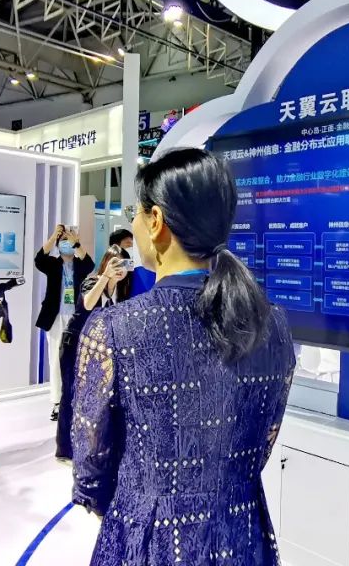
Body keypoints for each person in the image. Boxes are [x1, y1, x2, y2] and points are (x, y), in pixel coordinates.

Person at [71, 148, 297, 565]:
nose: (134, 224)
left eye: (135, 213)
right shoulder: (274, 324)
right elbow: (265, 436)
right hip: (241, 533)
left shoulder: (113, 329)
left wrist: (125, 500)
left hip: (146, 535)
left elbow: (90, 459)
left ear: (156, 221)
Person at [54, 245, 131, 460]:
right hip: (74, 344)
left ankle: (90, 445)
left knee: (94, 396)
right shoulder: (92, 282)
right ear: (106, 263)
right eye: (115, 263)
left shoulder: (122, 290)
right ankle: (64, 450)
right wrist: (105, 278)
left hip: (97, 349)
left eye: (124, 264)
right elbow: (88, 304)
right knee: (71, 394)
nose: (120, 269)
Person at [34, 223, 93, 421]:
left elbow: (90, 264)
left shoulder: (80, 265)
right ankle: (57, 401)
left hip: (76, 317)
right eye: (64, 241)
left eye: (70, 241)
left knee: (78, 359)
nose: (67, 244)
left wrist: (77, 243)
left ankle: (77, 399)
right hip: (55, 317)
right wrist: (54, 236)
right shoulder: (52, 264)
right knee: (55, 359)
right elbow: (39, 259)